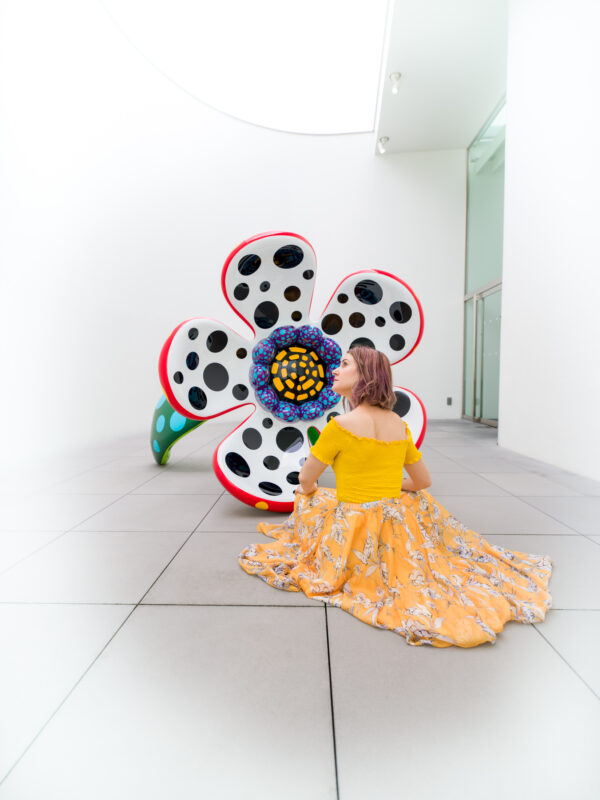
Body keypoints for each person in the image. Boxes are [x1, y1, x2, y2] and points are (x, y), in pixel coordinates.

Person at [238, 346, 553, 648]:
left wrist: (307, 495)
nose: (335, 370)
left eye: (345, 364)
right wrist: (392, 488)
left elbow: (307, 478)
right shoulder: (399, 425)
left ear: (366, 376)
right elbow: (423, 481)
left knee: (313, 497)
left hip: (355, 524)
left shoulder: (340, 426)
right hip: (396, 520)